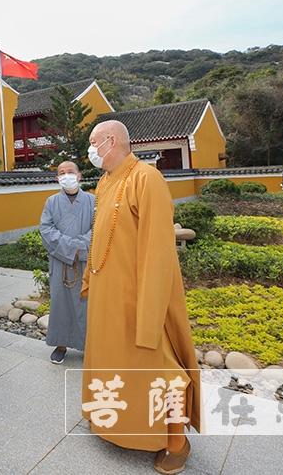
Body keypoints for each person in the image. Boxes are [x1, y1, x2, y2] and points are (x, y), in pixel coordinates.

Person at [80, 120, 201, 475]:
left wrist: (150, 306)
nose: (90, 149)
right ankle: (111, 420)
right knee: (112, 363)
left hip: (136, 296)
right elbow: (101, 236)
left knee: (161, 367)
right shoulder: (105, 182)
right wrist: (90, 276)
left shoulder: (147, 178)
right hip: (107, 294)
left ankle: (176, 441)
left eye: (93, 142)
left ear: (111, 141)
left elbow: (158, 249)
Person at [40, 161, 94, 365]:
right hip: (60, 261)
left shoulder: (92, 200)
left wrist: (78, 247)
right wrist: (72, 248)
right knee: (60, 303)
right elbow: (46, 230)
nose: (66, 175)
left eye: (70, 172)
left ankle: (89, 345)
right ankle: (61, 345)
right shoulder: (51, 202)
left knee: (87, 304)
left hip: (86, 261)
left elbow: (99, 227)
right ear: (57, 179)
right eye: (61, 173)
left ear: (79, 176)